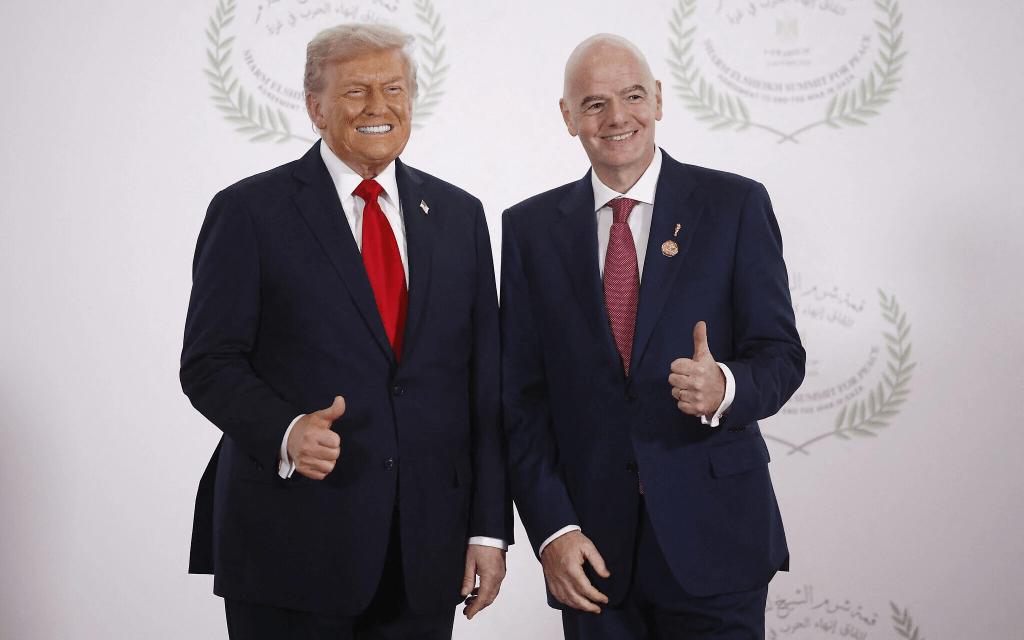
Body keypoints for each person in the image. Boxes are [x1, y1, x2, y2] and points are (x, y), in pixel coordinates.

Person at [181, 23, 510, 640]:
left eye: (394, 88)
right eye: (356, 90)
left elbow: (483, 385)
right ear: (316, 107)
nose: (378, 106)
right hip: (291, 546)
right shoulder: (248, 211)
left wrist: (488, 530)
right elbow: (208, 363)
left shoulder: (460, 215)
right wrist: (285, 430)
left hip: (425, 551)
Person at [500, 34, 805, 639]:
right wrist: (553, 530)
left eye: (633, 95)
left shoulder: (735, 204)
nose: (617, 117)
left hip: (717, 539)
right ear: (567, 116)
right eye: (594, 103)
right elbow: (520, 401)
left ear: (659, 99)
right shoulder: (529, 229)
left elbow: (781, 355)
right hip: (592, 554)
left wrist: (725, 387)